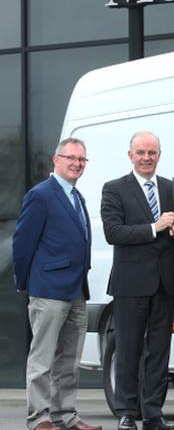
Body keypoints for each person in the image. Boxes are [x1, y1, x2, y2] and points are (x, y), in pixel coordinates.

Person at [12, 138, 102, 430]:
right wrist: (25, 284)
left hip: (77, 291)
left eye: (82, 160)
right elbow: (23, 243)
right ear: (56, 159)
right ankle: (39, 417)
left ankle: (65, 415)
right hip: (48, 290)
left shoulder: (77, 196)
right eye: (71, 158)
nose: (77, 163)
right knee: (42, 359)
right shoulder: (41, 195)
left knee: (69, 360)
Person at [101, 131, 174, 430]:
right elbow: (114, 232)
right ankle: (126, 412)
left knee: (160, 351)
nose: (146, 157)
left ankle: (153, 413)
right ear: (130, 155)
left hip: (165, 283)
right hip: (130, 283)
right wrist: (155, 227)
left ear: (159, 155)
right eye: (141, 152)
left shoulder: (171, 188)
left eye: (152, 152)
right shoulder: (114, 189)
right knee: (128, 349)